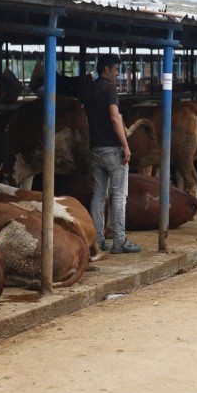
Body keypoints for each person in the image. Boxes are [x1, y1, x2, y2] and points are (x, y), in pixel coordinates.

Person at [80, 53, 140, 254]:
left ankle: (98, 241)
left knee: (98, 196)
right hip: (113, 149)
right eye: (116, 69)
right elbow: (115, 118)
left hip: (96, 149)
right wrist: (125, 145)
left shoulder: (89, 90)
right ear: (106, 69)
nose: (118, 73)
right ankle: (119, 241)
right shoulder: (110, 88)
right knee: (119, 196)